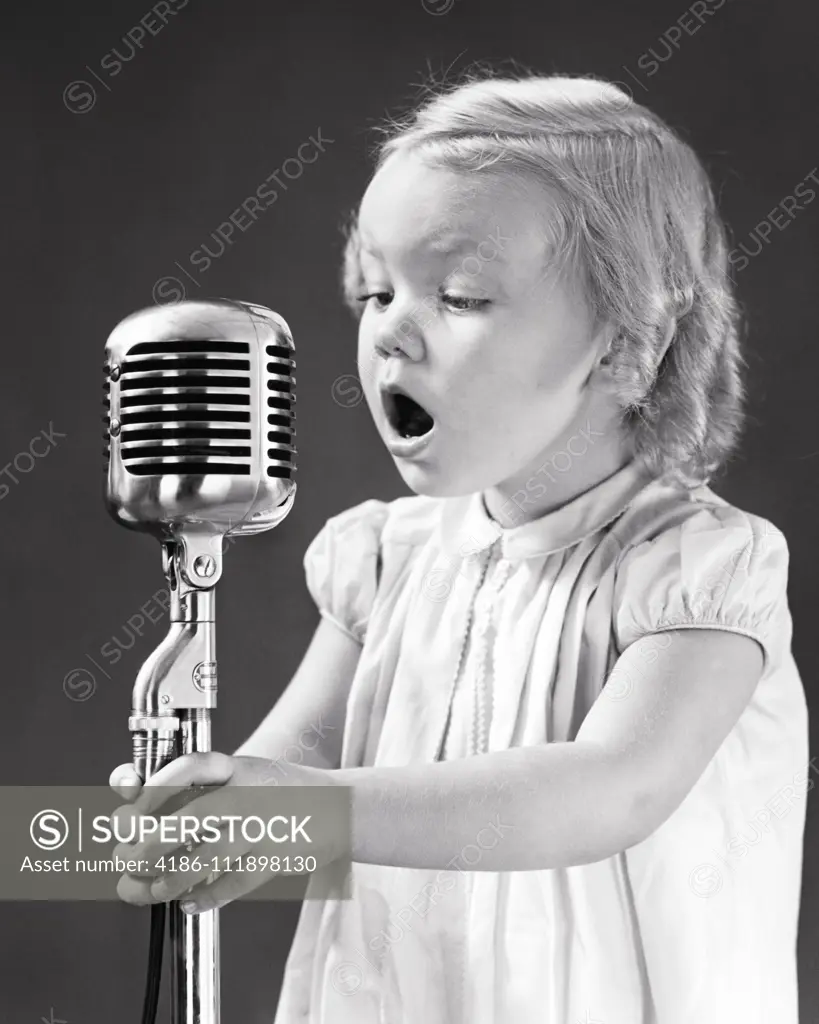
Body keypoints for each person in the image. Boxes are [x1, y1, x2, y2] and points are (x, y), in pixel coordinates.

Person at [109, 72, 809, 1023]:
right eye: (374, 290)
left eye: (461, 295)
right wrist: (217, 813)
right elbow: (307, 751)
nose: (390, 329)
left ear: (626, 345)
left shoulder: (694, 574)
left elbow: (611, 790)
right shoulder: (387, 561)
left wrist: (307, 810)